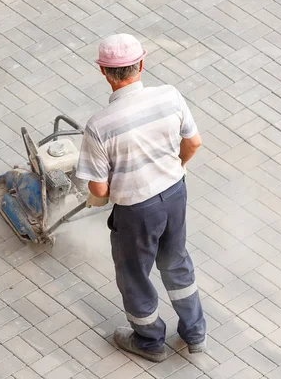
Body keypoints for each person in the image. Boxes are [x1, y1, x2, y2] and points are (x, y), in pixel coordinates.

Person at [74, 33, 207, 362]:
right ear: (142, 64)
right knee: (176, 263)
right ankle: (195, 332)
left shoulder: (99, 126)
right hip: (175, 194)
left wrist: (96, 201)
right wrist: (171, 167)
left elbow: (100, 191)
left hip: (136, 212)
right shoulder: (170, 96)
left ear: (104, 71)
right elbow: (193, 143)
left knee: (134, 275)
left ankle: (149, 341)